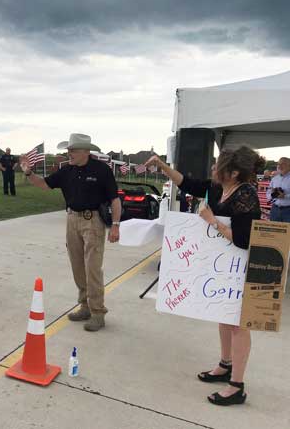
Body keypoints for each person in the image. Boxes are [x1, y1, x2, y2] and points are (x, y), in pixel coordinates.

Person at [146, 145, 264, 406]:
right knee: (222, 315)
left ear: (232, 172)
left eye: (218, 165)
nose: (213, 168)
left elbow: (244, 240)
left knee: (237, 324)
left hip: (240, 268)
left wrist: (211, 221)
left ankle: (237, 386)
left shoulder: (247, 195)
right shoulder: (220, 187)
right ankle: (226, 365)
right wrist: (164, 167)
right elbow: (188, 184)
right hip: (220, 266)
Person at [20, 133, 122, 332]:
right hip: (72, 219)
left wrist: (116, 225)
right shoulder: (66, 170)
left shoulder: (101, 170)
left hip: (93, 221)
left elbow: (115, 199)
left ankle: (98, 313)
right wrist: (28, 173)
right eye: (68, 150)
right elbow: (44, 185)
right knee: (78, 266)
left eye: (73, 150)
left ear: (86, 151)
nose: (69, 153)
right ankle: (85, 306)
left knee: (92, 268)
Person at [267, 157, 290, 222]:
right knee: (273, 231)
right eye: (278, 164)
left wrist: (285, 196)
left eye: (283, 164)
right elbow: (268, 193)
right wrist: (272, 194)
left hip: (288, 210)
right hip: (275, 209)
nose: (280, 166)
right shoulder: (274, 179)